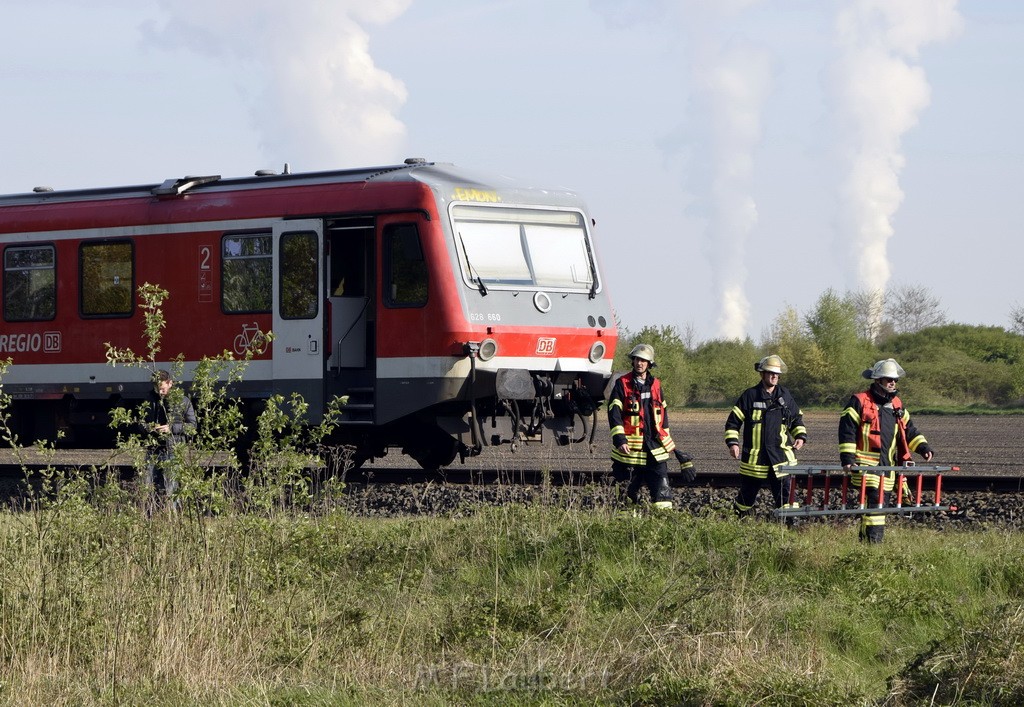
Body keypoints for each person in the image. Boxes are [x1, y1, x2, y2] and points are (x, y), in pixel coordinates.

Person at [839, 358, 933, 543]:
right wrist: (848, 459)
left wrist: (923, 447)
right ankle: (873, 544)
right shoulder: (859, 401)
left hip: (888, 467)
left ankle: (865, 543)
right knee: (876, 505)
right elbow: (847, 431)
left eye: (895, 380)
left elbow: (909, 430)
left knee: (877, 507)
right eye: (888, 379)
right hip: (866, 465)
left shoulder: (896, 404)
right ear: (877, 380)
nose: (893, 383)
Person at [608, 344, 696, 510]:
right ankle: (628, 531)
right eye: (637, 359)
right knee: (626, 499)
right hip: (630, 452)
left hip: (655, 450)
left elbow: (663, 416)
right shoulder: (622, 384)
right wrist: (620, 439)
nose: (639, 363)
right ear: (633, 361)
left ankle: (662, 529)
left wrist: (668, 443)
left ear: (649, 364)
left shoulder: (656, 385)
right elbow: (614, 414)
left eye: (643, 360)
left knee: (663, 498)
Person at [725, 354, 807, 517]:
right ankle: (739, 524)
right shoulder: (750, 396)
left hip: (781, 457)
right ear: (762, 374)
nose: (774, 376)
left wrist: (800, 436)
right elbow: (733, 423)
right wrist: (733, 443)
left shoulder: (785, 396)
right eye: (770, 373)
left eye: (777, 374)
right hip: (755, 459)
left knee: (787, 499)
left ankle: (789, 528)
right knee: (745, 498)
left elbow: (796, 419)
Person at [139, 369, 197, 502]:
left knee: (171, 487)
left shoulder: (183, 401)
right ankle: (151, 516)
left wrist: (171, 428)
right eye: (157, 389)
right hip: (153, 449)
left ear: (170, 383)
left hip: (173, 448)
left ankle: (172, 516)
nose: (160, 392)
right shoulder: (149, 400)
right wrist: (148, 427)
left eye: (162, 388)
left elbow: (192, 426)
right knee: (148, 485)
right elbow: (140, 421)